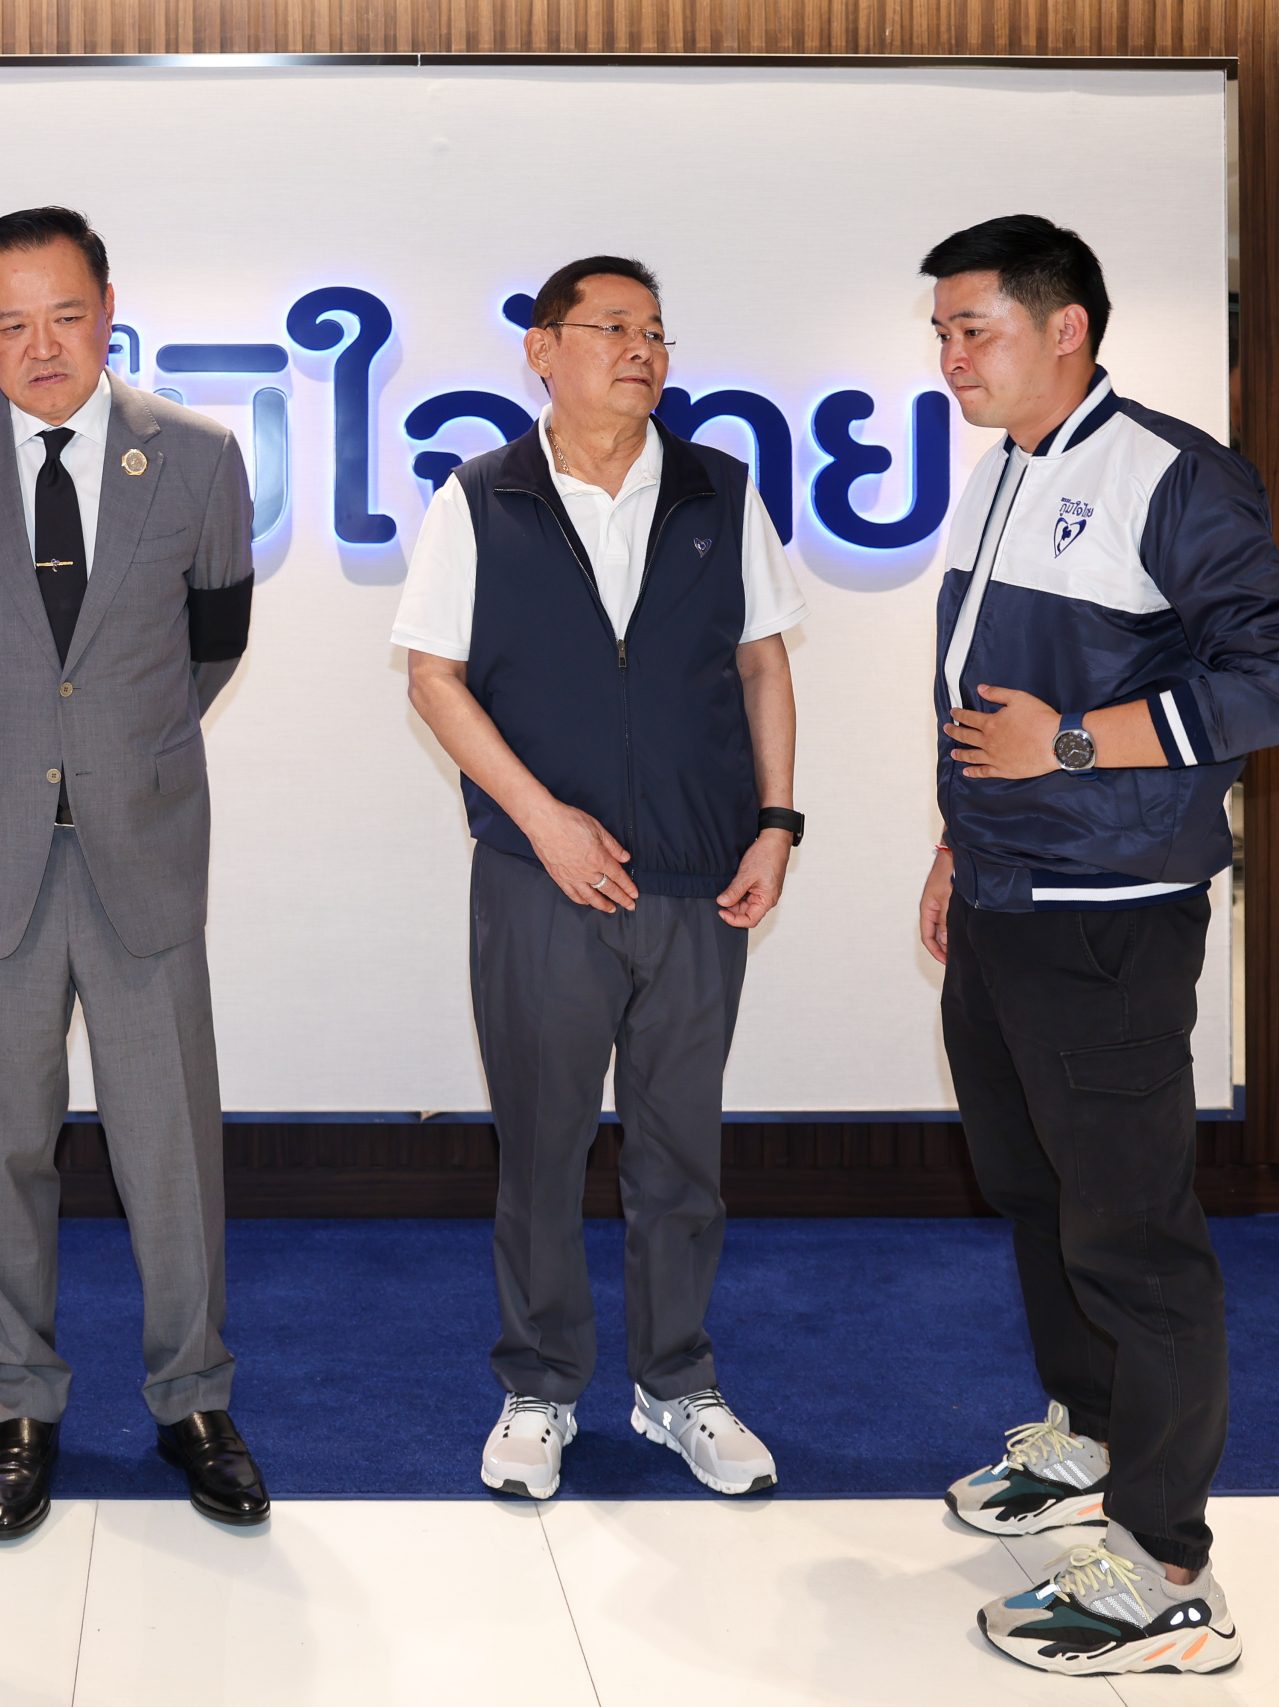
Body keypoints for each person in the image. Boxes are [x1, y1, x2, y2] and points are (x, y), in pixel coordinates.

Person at [917, 214, 1279, 1676]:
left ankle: (1166, 1569)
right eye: (940, 333)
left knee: (1134, 1231)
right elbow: (985, 700)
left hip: (1111, 917)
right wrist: (959, 839)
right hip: (1005, 898)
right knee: (1037, 1189)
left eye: (973, 327)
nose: (949, 357)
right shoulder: (1002, 467)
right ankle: (1089, 1441)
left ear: (1066, 326)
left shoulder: (1169, 472)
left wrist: (1080, 742)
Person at [0, 206, 267, 1538]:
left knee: (172, 1149)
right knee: (0, 1147)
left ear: (108, 310)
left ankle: (193, 1401)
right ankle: (21, 1404)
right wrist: (16, 754)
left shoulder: (198, 458)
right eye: (10, 324)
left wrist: (104, 752)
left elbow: (213, 640)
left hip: (141, 844)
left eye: (66, 316)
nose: (41, 346)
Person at [394, 255, 807, 1504]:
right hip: (540, 884)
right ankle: (539, 1386)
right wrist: (544, 823)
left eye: (656, 332)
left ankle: (676, 1384)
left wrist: (776, 824)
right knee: (541, 1144)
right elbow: (432, 678)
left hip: (697, 877)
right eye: (613, 327)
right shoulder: (482, 497)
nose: (641, 350)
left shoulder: (719, 489)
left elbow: (762, 664)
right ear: (542, 348)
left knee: (682, 1152)